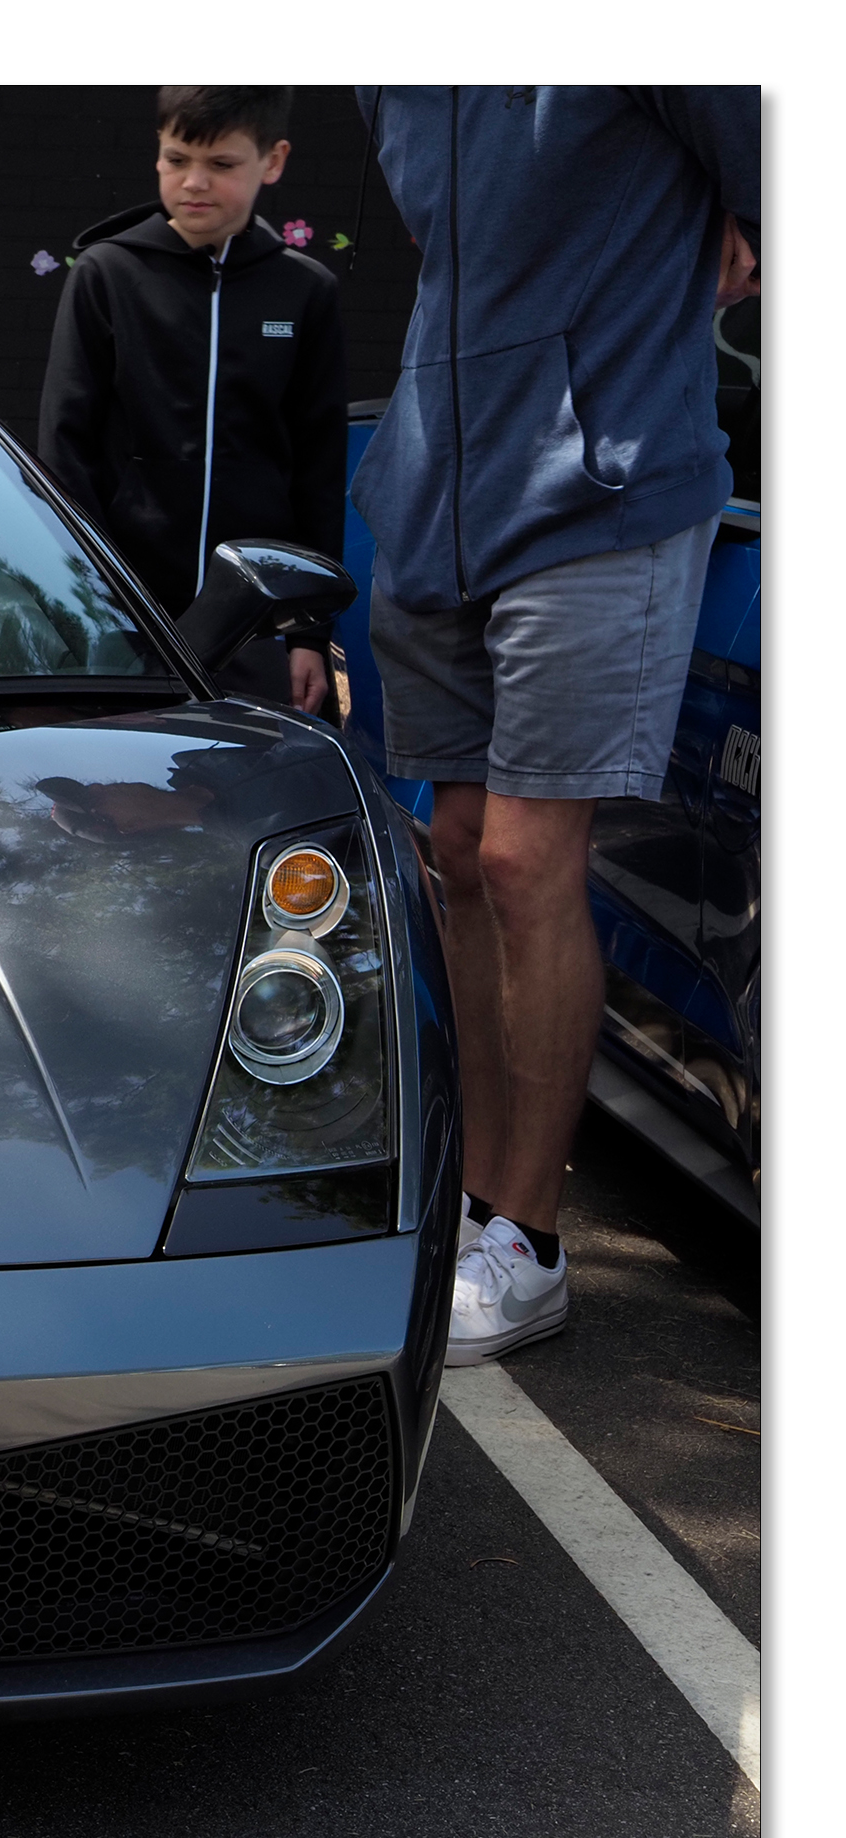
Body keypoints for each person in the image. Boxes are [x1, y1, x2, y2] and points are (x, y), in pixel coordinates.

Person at [353, 87, 759, 1364]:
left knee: (527, 857)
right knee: (457, 853)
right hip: (433, 491)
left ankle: (527, 1245)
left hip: (601, 491)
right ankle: (478, 1205)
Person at [38, 86, 347, 715]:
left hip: (258, 628)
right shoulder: (107, 274)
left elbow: (318, 471)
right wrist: (88, 602)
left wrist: (309, 634)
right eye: (177, 160)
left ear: (273, 160)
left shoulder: (305, 291)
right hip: (121, 620)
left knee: (250, 775)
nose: (194, 182)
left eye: (221, 164)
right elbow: (64, 451)